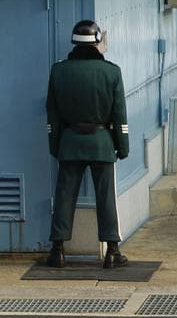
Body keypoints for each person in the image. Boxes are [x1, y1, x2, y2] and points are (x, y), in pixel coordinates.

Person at [45, 20, 130, 269]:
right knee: (105, 198)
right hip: (102, 143)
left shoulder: (58, 71)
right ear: (96, 44)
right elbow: (119, 114)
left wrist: (55, 145)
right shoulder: (112, 72)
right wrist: (122, 146)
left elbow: (52, 112)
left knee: (64, 196)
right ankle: (112, 250)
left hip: (69, 143)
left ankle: (57, 251)